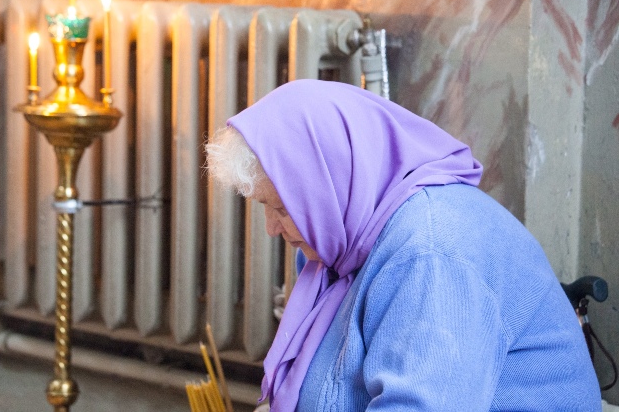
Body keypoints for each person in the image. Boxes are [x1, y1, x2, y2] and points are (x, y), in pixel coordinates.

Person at [205, 79, 601, 411]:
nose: (271, 228)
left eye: (282, 208)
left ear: (327, 185)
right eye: (264, 206)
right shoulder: (334, 249)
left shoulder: (431, 253)